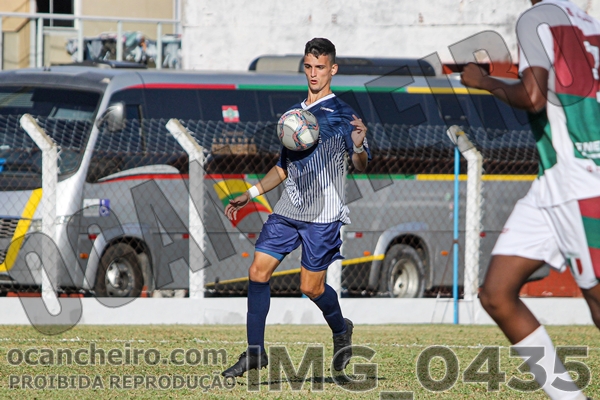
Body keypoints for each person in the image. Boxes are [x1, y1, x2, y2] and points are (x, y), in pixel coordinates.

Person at [461, 1, 600, 399]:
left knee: (596, 299)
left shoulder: (537, 18)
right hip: (551, 181)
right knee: (496, 294)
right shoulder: (587, 21)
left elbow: (534, 96)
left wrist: (483, 81)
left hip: (577, 181)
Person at [221, 37, 370, 378]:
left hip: (322, 216)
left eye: (321, 67)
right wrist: (251, 192)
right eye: (309, 67)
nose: (314, 73)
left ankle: (341, 329)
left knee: (310, 288)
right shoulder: (295, 115)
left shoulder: (345, 115)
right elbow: (283, 167)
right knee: (258, 272)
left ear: (333, 69)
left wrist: (359, 146)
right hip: (289, 210)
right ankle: (255, 352)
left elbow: (360, 165)